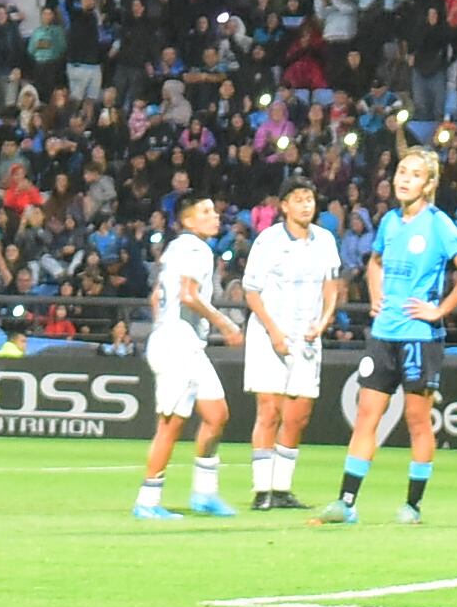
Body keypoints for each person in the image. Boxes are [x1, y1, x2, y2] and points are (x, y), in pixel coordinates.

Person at [320, 147, 457, 525]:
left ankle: (412, 505)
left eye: (414, 174)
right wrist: (376, 295)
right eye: (401, 172)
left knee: (417, 420)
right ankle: (346, 503)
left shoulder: (439, 224)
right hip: (384, 333)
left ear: (429, 184)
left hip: (419, 337)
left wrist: (440, 310)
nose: (404, 179)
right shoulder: (391, 221)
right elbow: (375, 262)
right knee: (366, 416)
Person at [135, 196, 241, 521]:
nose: (215, 216)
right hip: (177, 344)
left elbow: (157, 296)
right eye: (205, 212)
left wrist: (164, 327)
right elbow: (188, 295)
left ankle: (204, 494)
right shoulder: (196, 249)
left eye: (214, 210)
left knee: (216, 415)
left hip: (184, 342)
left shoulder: (175, 248)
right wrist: (225, 324)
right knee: (170, 424)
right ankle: (147, 500)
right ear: (189, 221)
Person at [239, 181, 342, 509]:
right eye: (298, 200)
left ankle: (282, 489)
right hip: (270, 335)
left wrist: (323, 322)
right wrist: (273, 332)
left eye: (309, 199)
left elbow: (332, 285)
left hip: (307, 336)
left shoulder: (325, 240)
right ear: (284, 206)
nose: (306, 205)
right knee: (269, 410)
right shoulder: (268, 241)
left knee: (299, 414)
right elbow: (251, 291)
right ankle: (261, 491)